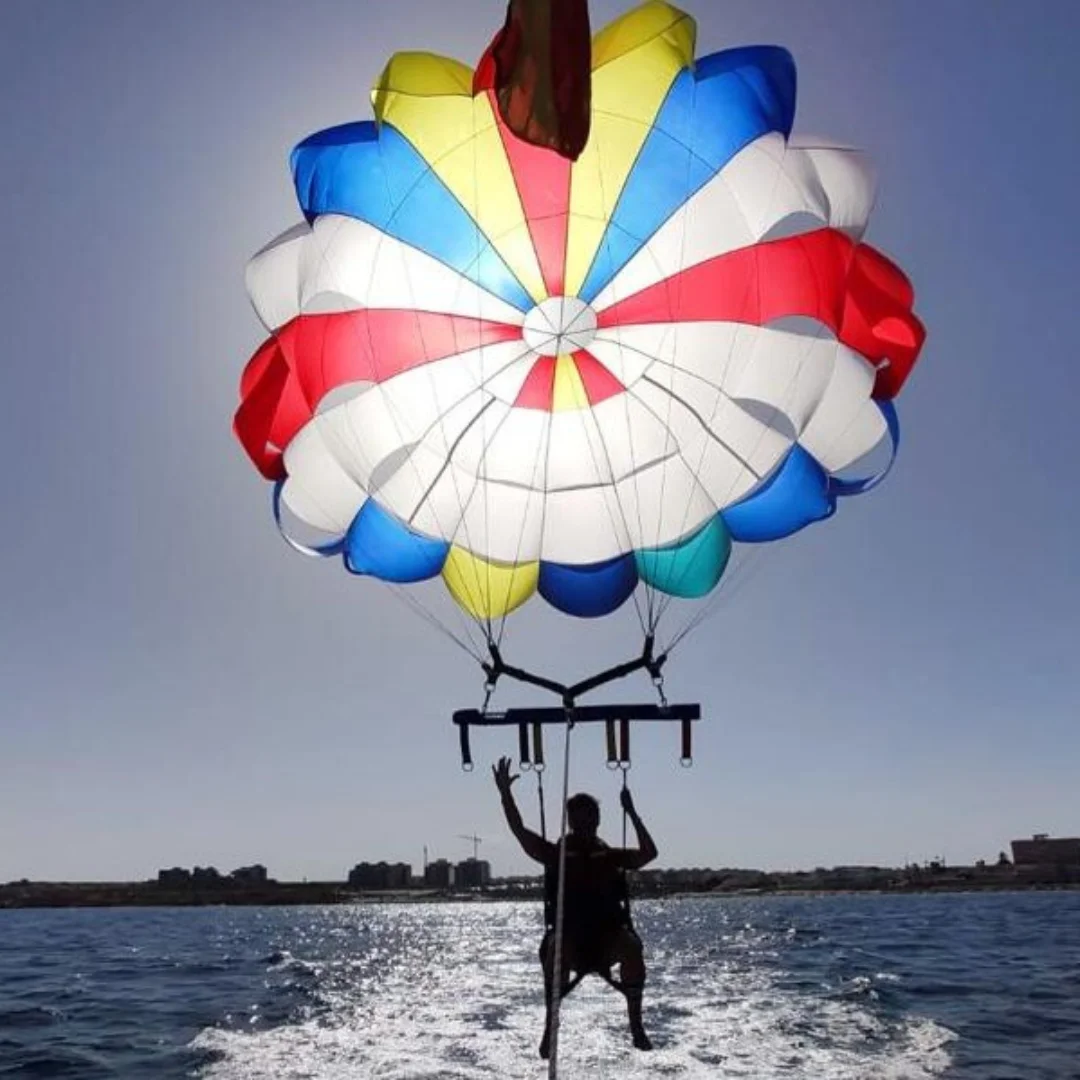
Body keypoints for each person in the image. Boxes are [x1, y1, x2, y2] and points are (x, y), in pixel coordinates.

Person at [493, 756, 657, 1057]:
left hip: (608, 940)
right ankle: (550, 1026)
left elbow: (649, 853)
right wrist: (506, 794)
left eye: (588, 819)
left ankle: (635, 1024)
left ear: (596, 822)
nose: (583, 825)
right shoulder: (555, 854)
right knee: (555, 949)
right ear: (570, 822)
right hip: (569, 942)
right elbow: (520, 831)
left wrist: (632, 813)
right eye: (577, 820)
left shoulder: (610, 856)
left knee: (632, 947)